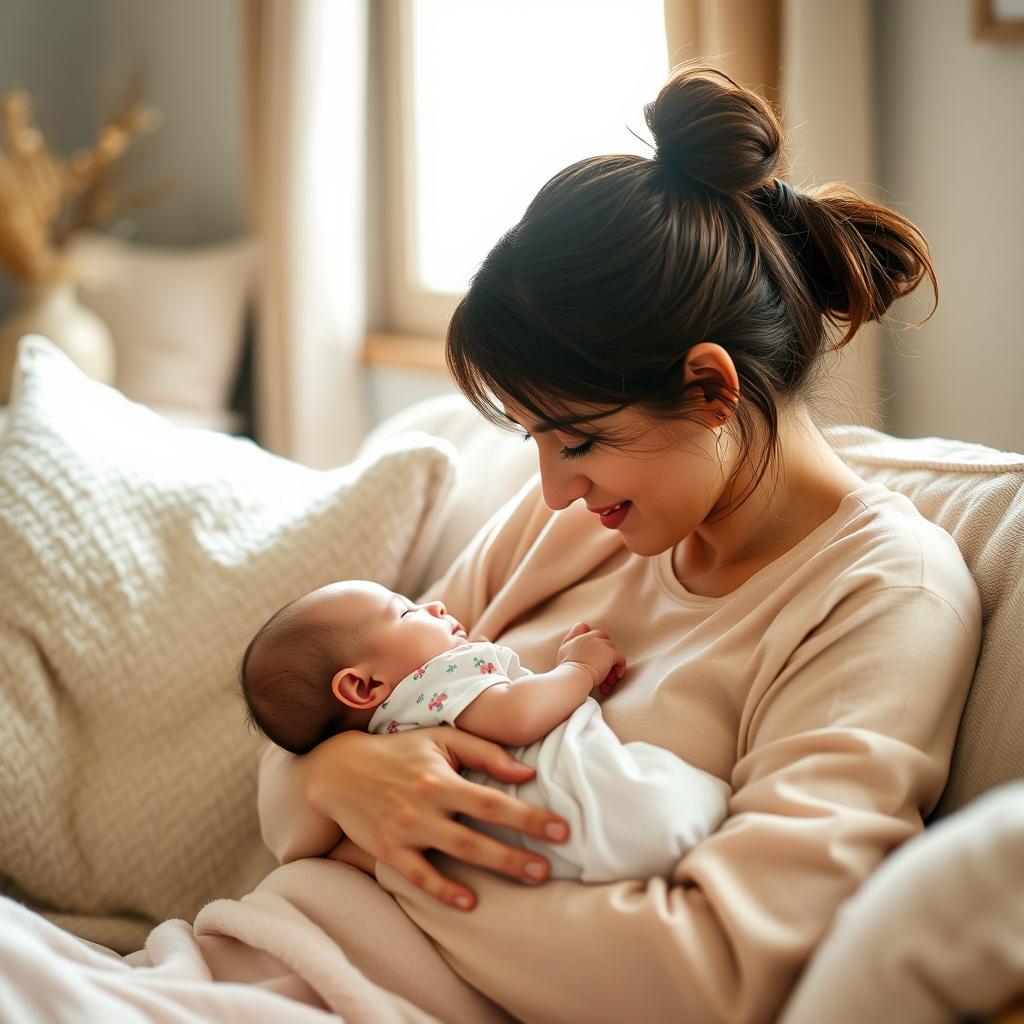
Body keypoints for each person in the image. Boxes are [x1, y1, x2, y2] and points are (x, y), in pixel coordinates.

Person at [256, 64, 982, 1022]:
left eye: (581, 439)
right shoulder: (572, 523)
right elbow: (297, 741)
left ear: (712, 389)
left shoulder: (883, 596)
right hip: (259, 953)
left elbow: (717, 975)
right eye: (536, 442)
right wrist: (344, 772)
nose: (554, 487)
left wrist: (377, 844)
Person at [239, 579, 731, 883]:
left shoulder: (391, 727)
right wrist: (578, 670)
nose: (433, 605)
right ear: (364, 686)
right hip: (569, 799)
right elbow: (516, 714)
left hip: (523, 852)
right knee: (675, 803)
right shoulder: (434, 681)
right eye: (407, 611)